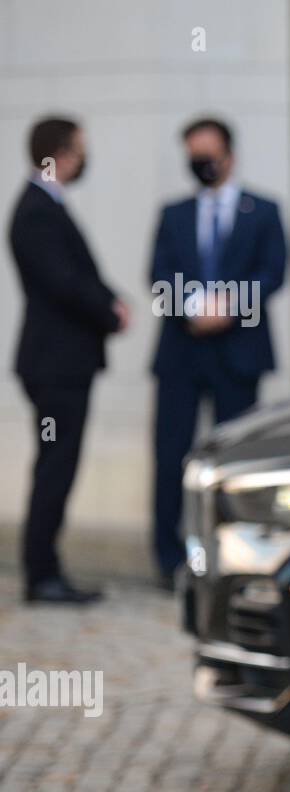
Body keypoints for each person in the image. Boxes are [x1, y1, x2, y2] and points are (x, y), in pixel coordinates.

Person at [149, 117, 288, 582]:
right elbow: (159, 274)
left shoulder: (263, 210)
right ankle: (169, 559)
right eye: (193, 156)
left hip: (239, 351)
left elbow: (274, 272)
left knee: (237, 458)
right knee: (171, 455)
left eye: (207, 154)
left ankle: (237, 555)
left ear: (229, 154)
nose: (201, 164)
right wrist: (193, 308)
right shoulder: (174, 214)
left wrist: (229, 306)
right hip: (182, 352)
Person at [9, 117, 129, 604]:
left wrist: (109, 301)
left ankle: (46, 568)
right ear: (61, 153)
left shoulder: (48, 205)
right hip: (55, 364)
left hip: (64, 362)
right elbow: (63, 283)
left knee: (58, 465)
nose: (84, 158)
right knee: (55, 466)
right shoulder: (37, 209)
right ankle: (41, 574)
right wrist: (109, 310)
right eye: (80, 149)